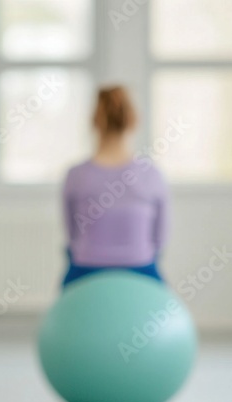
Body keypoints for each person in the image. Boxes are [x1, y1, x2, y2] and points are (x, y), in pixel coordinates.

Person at [61, 86, 170, 287]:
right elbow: (159, 241)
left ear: (95, 121)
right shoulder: (152, 175)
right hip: (141, 273)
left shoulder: (75, 175)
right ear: (132, 121)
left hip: (85, 275)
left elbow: (72, 238)